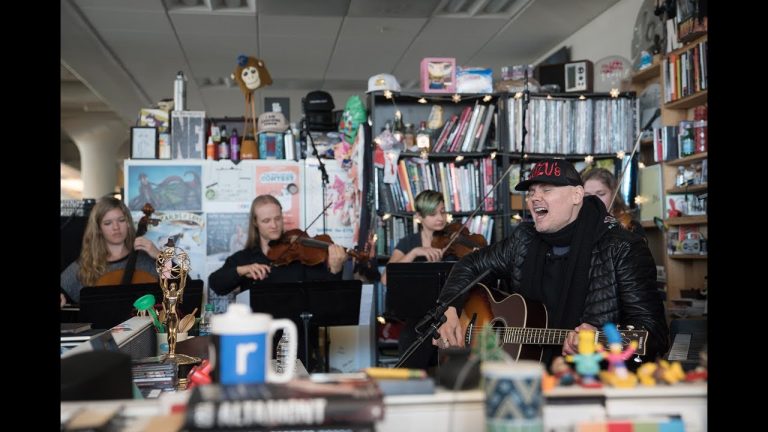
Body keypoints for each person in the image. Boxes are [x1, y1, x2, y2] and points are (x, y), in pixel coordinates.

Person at [435, 158, 669, 370]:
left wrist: (600, 342)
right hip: (525, 372)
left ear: (577, 196)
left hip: (589, 380)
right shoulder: (523, 240)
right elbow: (470, 265)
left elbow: (653, 333)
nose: (535, 198)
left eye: (547, 189)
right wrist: (450, 308)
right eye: (531, 192)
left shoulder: (622, 247)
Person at [208, 194, 347, 371]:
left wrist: (335, 270)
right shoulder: (244, 258)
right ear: (255, 223)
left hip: (298, 346)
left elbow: (327, 299)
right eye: (266, 220)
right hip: (255, 343)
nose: (274, 225)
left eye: (277, 218)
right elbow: (216, 283)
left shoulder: (300, 255)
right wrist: (242, 270)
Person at [382, 190, 451, 370]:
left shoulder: (453, 240)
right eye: (432, 213)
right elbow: (385, 279)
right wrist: (414, 253)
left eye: (443, 211)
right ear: (419, 217)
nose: (440, 217)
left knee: (447, 372)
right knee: (410, 368)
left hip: (449, 318)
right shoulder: (408, 243)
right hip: (417, 321)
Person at [60, 197, 161, 306]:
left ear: (128, 223)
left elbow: (178, 289)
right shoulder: (85, 266)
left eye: (121, 220)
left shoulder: (146, 261)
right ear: (98, 228)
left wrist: (160, 256)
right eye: (108, 223)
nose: (116, 227)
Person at [581, 167, 645, 237]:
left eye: (601, 194)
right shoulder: (580, 224)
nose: (594, 200)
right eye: (587, 195)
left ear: (613, 193)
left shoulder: (630, 225)